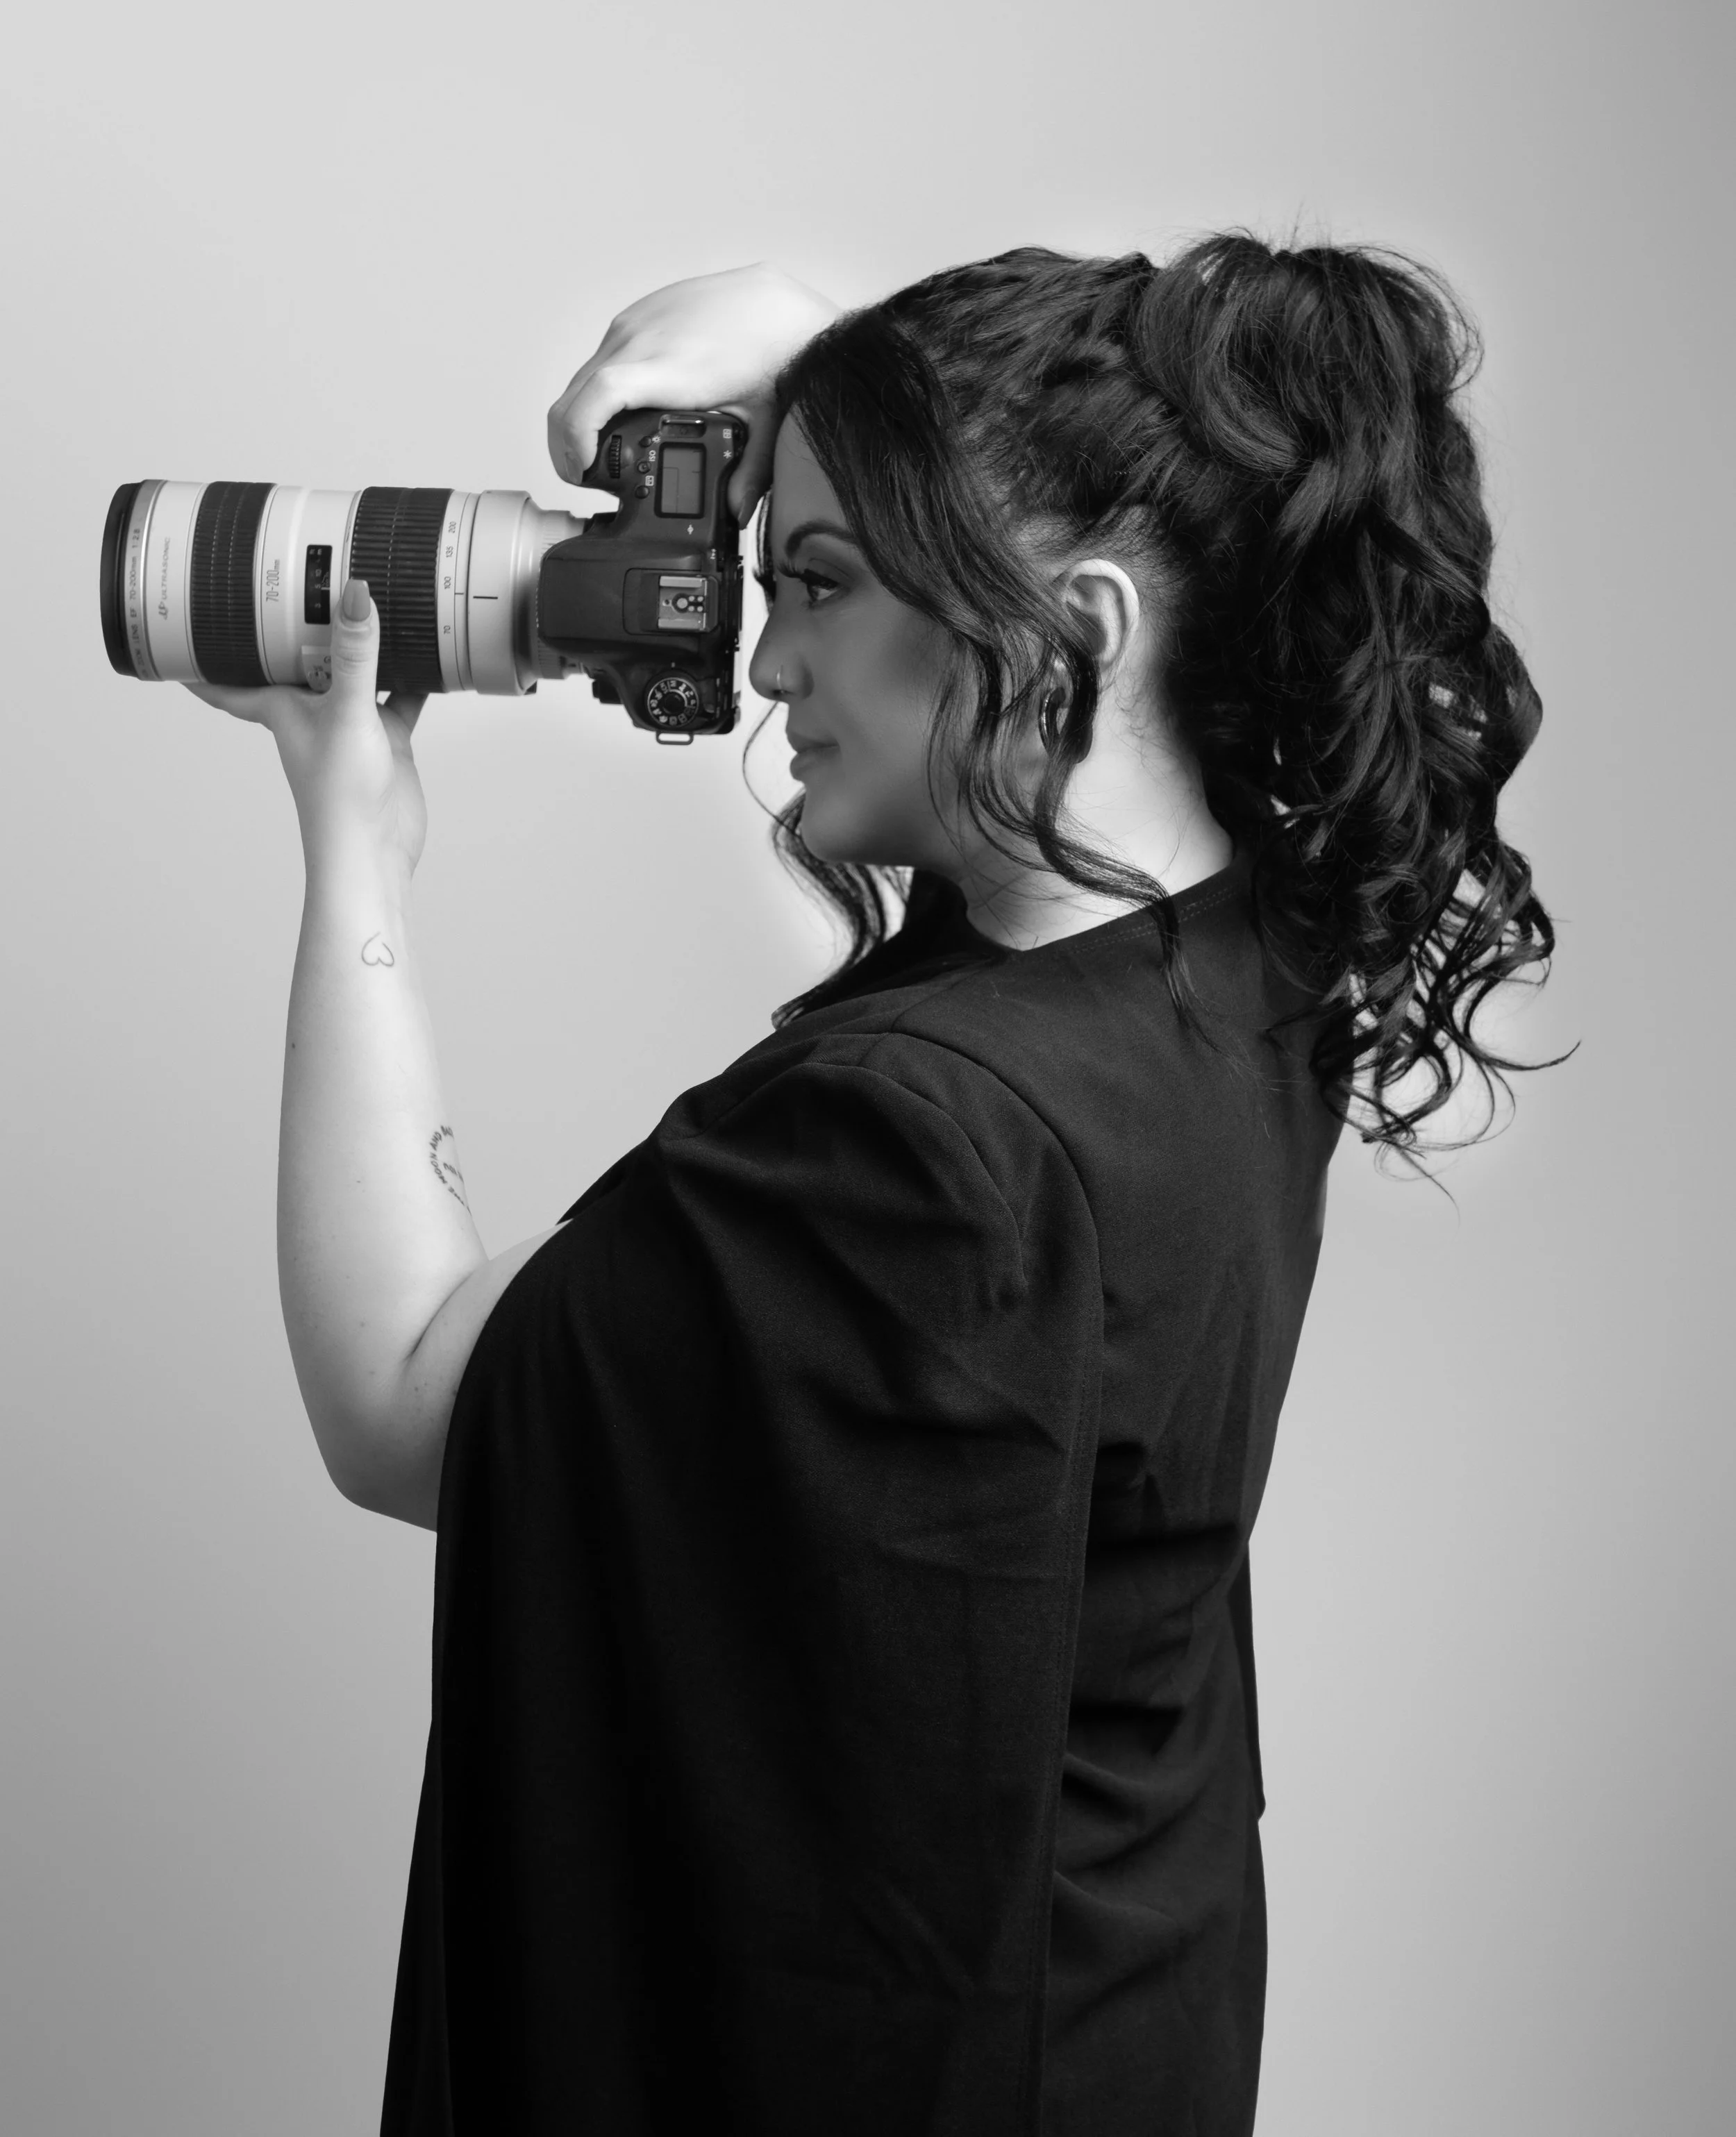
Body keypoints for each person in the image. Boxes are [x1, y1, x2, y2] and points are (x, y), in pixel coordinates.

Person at [190, 237, 1552, 2135]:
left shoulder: (922, 1141)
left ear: (1069, 627)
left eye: (815, 584)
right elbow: (1119, 436)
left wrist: (355, 836)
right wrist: (821, 345)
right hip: (1115, 2017)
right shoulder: (1249, 948)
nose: (761, 661)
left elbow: (402, 1390)